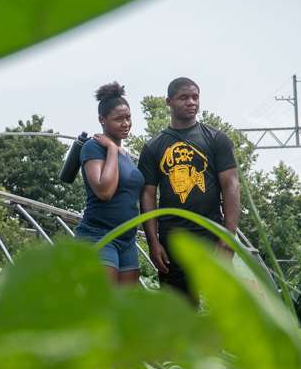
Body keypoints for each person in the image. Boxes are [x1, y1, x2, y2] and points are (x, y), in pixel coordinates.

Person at [138, 77, 241, 301]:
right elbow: (147, 194)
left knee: (225, 307)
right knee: (179, 313)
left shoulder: (216, 139)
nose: (191, 102)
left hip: (211, 234)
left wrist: (228, 236)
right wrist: (153, 242)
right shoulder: (153, 147)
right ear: (169, 102)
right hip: (173, 240)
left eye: (195, 97)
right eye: (183, 97)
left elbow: (231, 185)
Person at [75, 82, 145, 285]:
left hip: (127, 240)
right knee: (101, 307)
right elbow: (104, 191)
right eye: (118, 119)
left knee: (125, 310)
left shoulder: (127, 156)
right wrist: (112, 150)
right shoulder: (93, 147)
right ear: (102, 120)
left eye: (128, 118)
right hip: (99, 236)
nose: (125, 124)